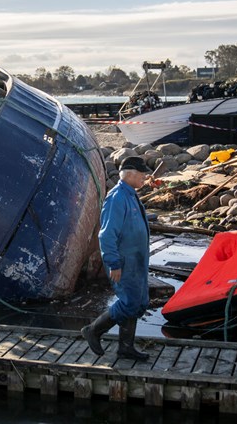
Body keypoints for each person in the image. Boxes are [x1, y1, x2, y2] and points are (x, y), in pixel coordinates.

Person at [81, 155, 152, 361]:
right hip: (124, 261)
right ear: (129, 175)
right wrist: (113, 263)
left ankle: (126, 348)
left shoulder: (131, 195)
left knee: (139, 303)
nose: (145, 178)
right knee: (129, 302)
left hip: (138, 260)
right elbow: (106, 234)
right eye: (142, 174)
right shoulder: (117, 197)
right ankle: (93, 330)